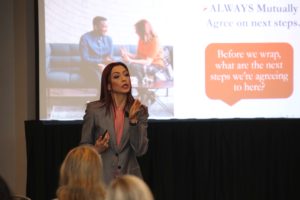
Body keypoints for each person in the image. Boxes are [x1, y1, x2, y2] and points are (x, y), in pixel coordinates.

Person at [80, 61, 149, 185]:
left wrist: (133, 121)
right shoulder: (94, 110)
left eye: (126, 75)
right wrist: (96, 149)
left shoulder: (140, 110)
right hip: (101, 181)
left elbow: (140, 150)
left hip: (130, 182)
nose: (124, 79)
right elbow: (83, 148)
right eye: (117, 76)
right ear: (109, 86)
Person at [121, 19, 172, 86]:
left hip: (157, 66)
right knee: (124, 65)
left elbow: (148, 62)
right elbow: (138, 57)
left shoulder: (155, 41)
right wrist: (127, 54)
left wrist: (131, 60)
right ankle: (141, 91)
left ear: (142, 30)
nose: (135, 32)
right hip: (145, 64)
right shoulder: (141, 40)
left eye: (137, 30)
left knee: (135, 66)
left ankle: (143, 91)